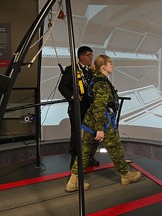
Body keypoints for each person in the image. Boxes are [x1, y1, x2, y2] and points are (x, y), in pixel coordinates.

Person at [65, 55, 141, 191]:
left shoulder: (96, 79)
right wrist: (100, 128)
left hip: (90, 122)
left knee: (85, 152)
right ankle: (126, 175)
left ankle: (73, 181)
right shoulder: (102, 83)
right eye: (110, 63)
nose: (112, 66)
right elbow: (100, 105)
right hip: (103, 123)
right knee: (115, 149)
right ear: (104, 66)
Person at [58, 46, 100, 169]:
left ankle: (89, 157)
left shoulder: (92, 70)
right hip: (77, 107)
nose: (91, 58)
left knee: (92, 134)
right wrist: (72, 95)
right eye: (89, 55)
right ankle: (74, 160)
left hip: (90, 107)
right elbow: (63, 87)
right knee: (76, 134)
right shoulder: (71, 70)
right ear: (81, 57)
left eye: (92, 55)